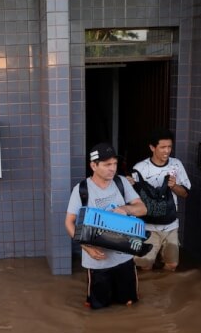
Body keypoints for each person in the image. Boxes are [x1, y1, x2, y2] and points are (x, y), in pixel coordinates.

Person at [65, 142, 147, 309]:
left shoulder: (121, 183)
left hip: (124, 257)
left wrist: (125, 208)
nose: (112, 168)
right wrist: (86, 248)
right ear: (93, 166)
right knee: (98, 307)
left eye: (115, 164)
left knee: (129, 304)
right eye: (107, 164)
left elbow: (142, 209)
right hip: (97, 262)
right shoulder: (81, 190)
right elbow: (69, 222)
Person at [129, 128, 191, 271]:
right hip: (148, 227)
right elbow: (132, 199)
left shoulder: (176, 165)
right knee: (143, 267)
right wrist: (130, 184)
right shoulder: (140, 169)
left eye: (169, 147)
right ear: (152, 147)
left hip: (171, 225)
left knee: (172, 265)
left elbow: (185, 194)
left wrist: (174, 186)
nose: (167, 151)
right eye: (163, 147)